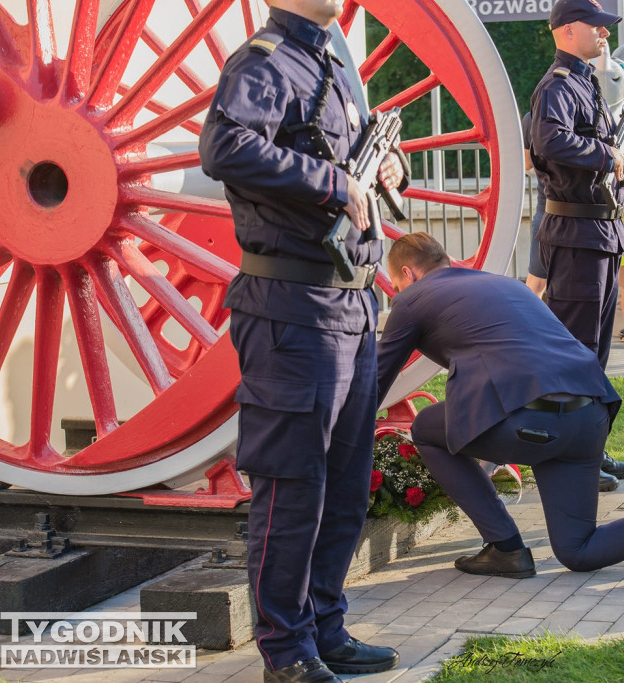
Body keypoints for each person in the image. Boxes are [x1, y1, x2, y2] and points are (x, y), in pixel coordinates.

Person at [198, 2, 404, 681]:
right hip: (292, 305)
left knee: (344, 487)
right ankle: (286, 651)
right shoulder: (262, 62)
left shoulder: (331, 57)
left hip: (351, 301)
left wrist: (387, 168)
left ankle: (324, 625)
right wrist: (331, 183)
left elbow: (357, 147)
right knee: (292, 488)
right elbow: (225, 148)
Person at [377, 232, 624, 578]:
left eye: (396, 286)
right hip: (589, 417)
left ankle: (506, 547)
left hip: (529, 420)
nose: (398, 294)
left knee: (425, 428)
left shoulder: (413, 298)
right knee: (578, 550)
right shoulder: (505, 284)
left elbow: (374, 381)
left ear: (408, 274)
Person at [529, 0, 624, 483]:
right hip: (576, 232)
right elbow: (548, 142)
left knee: (594, 352)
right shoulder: (557, 84)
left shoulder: (581, 82)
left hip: (597, 229)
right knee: (575, 352)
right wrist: (606, 154)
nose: (605, 34)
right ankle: (570, 459)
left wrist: (622, 149)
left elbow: (597, 143)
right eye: (597, 27)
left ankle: (590, 449)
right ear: (569, 30)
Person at [521, 112, 548, 298]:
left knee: (536, 282)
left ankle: (529, 325)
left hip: (546, 205)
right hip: (584, 210)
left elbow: (527, 164)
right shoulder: (586, 112)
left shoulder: (532, 117)